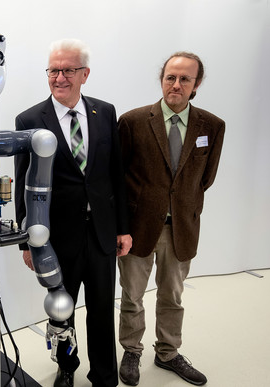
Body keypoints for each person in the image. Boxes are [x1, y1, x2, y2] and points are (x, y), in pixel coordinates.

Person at [14, 38, 132, 387]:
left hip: (101, 234)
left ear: (85, 74)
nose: (59, 77)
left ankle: (104, 377)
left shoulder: (104, 111)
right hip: (55, 238)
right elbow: (23, 184)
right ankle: (67, 369)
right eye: (53, 70)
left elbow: (115, 175)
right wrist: (26, 242)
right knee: (61, 310)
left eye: (68, 70)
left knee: (101, 312)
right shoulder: (30, 119)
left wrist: (123, 228)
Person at [117, 52, 225, 386]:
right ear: (162, 79)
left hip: (181, 228)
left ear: (197, 84)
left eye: (184, 79)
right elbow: (117, 179)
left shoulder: (212, 126)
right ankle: (131, 350)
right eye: (170, 77)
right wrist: (121, 228)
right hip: (137, 229)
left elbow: (205, 179)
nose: (175, 85)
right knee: (132, 295)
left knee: (172, 296)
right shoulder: (133, 121)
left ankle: (168, 352)